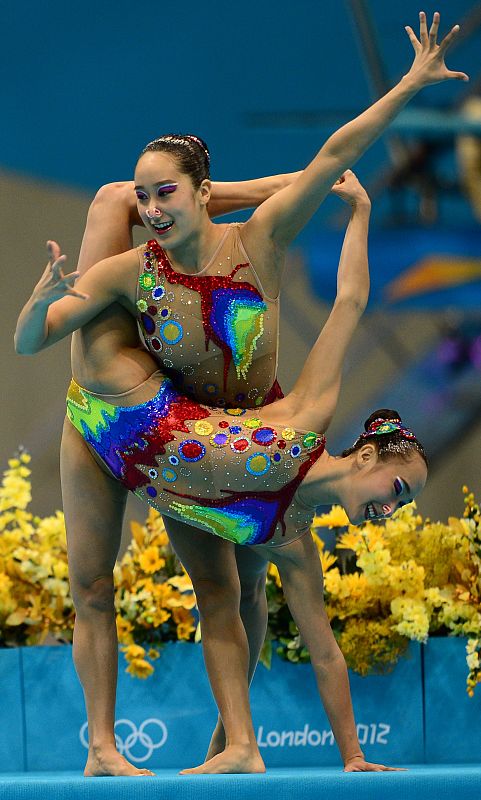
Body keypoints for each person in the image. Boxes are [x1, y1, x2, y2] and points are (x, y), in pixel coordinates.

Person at [15, 11, 464, 775]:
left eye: (166, 196)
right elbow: (34, 337)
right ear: (367, 457)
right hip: (126, 419)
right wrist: (38, 303)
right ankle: (103, 747)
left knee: (227, 596)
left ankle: (239, 745)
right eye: (149, 197)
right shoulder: (140, 268)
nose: (151, 211)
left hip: (192, 455)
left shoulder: (259, 250)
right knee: (97, 581)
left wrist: (376, 157)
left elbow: (338, 201)